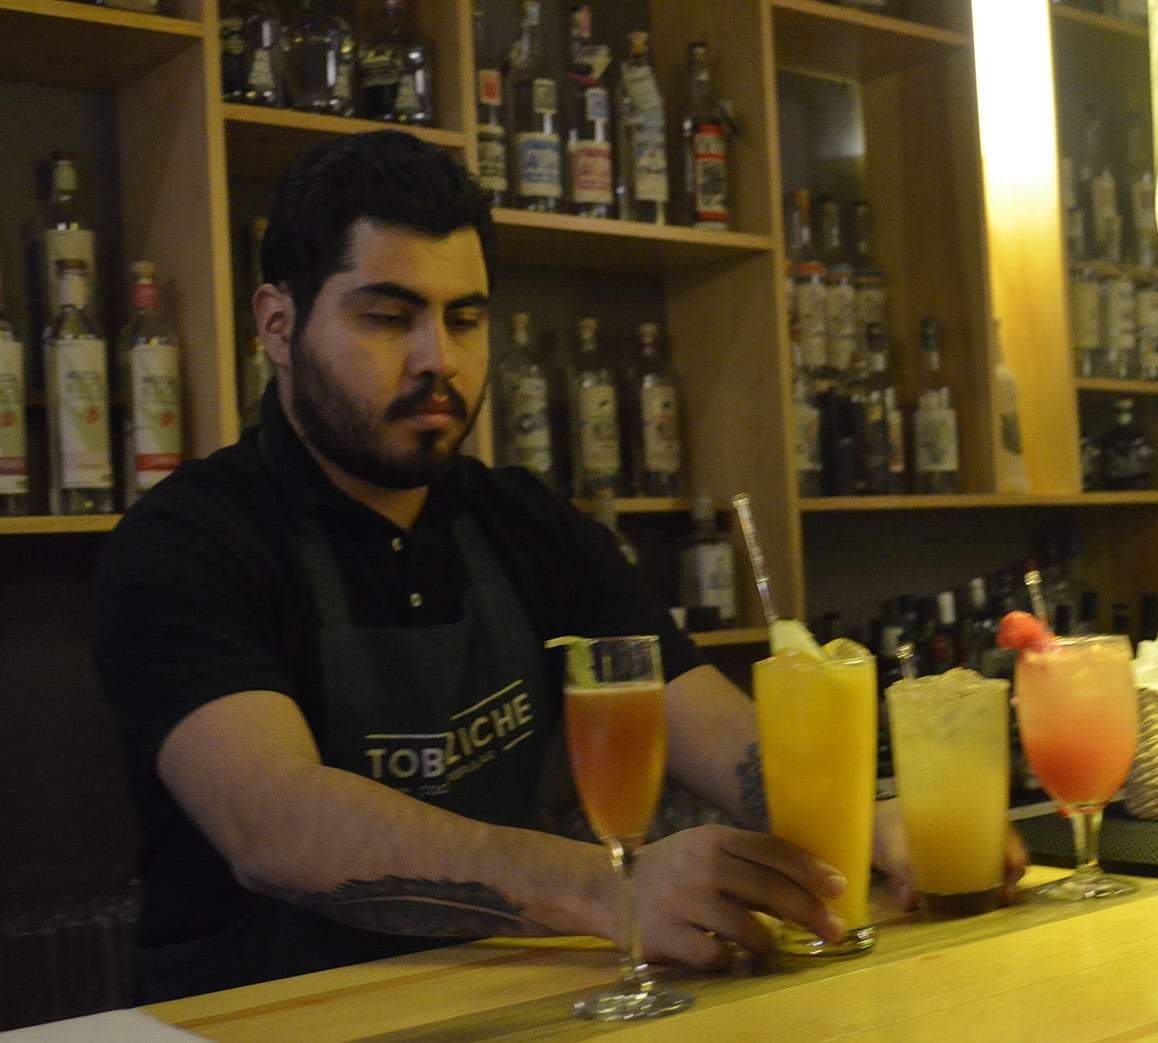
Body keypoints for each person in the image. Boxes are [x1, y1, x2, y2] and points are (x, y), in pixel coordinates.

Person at [94, 131, 1024, 1002]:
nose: (437, 359)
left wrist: (868, 823)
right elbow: (273, 821)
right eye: (387, 316)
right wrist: (606, 888)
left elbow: (706, 723)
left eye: (465, 319)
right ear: (275, 323)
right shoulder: (185, 543)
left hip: (490, 1000)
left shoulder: (520, 521)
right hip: (257, 1014)